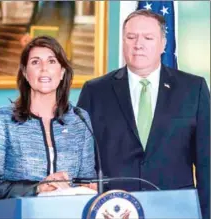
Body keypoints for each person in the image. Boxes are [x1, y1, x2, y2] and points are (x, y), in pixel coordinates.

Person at [77, 9, 210, 219]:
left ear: (163, 44)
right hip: (114, 209)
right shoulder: (95, 91)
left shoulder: (193, 88)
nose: (138, 44)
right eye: (131, 37)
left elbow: (206, 162)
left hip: (176, 209)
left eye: (148, 38)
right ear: (123, 41)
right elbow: (82, 161)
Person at [0, 36, 96, 200]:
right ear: (25, 73)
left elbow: (87, 181)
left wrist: (90, 186)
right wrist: (38, 188)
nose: (44, 68)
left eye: (52, 61)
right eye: (35, 62)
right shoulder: (3, 120)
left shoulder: (80, 119)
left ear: (62, 72)